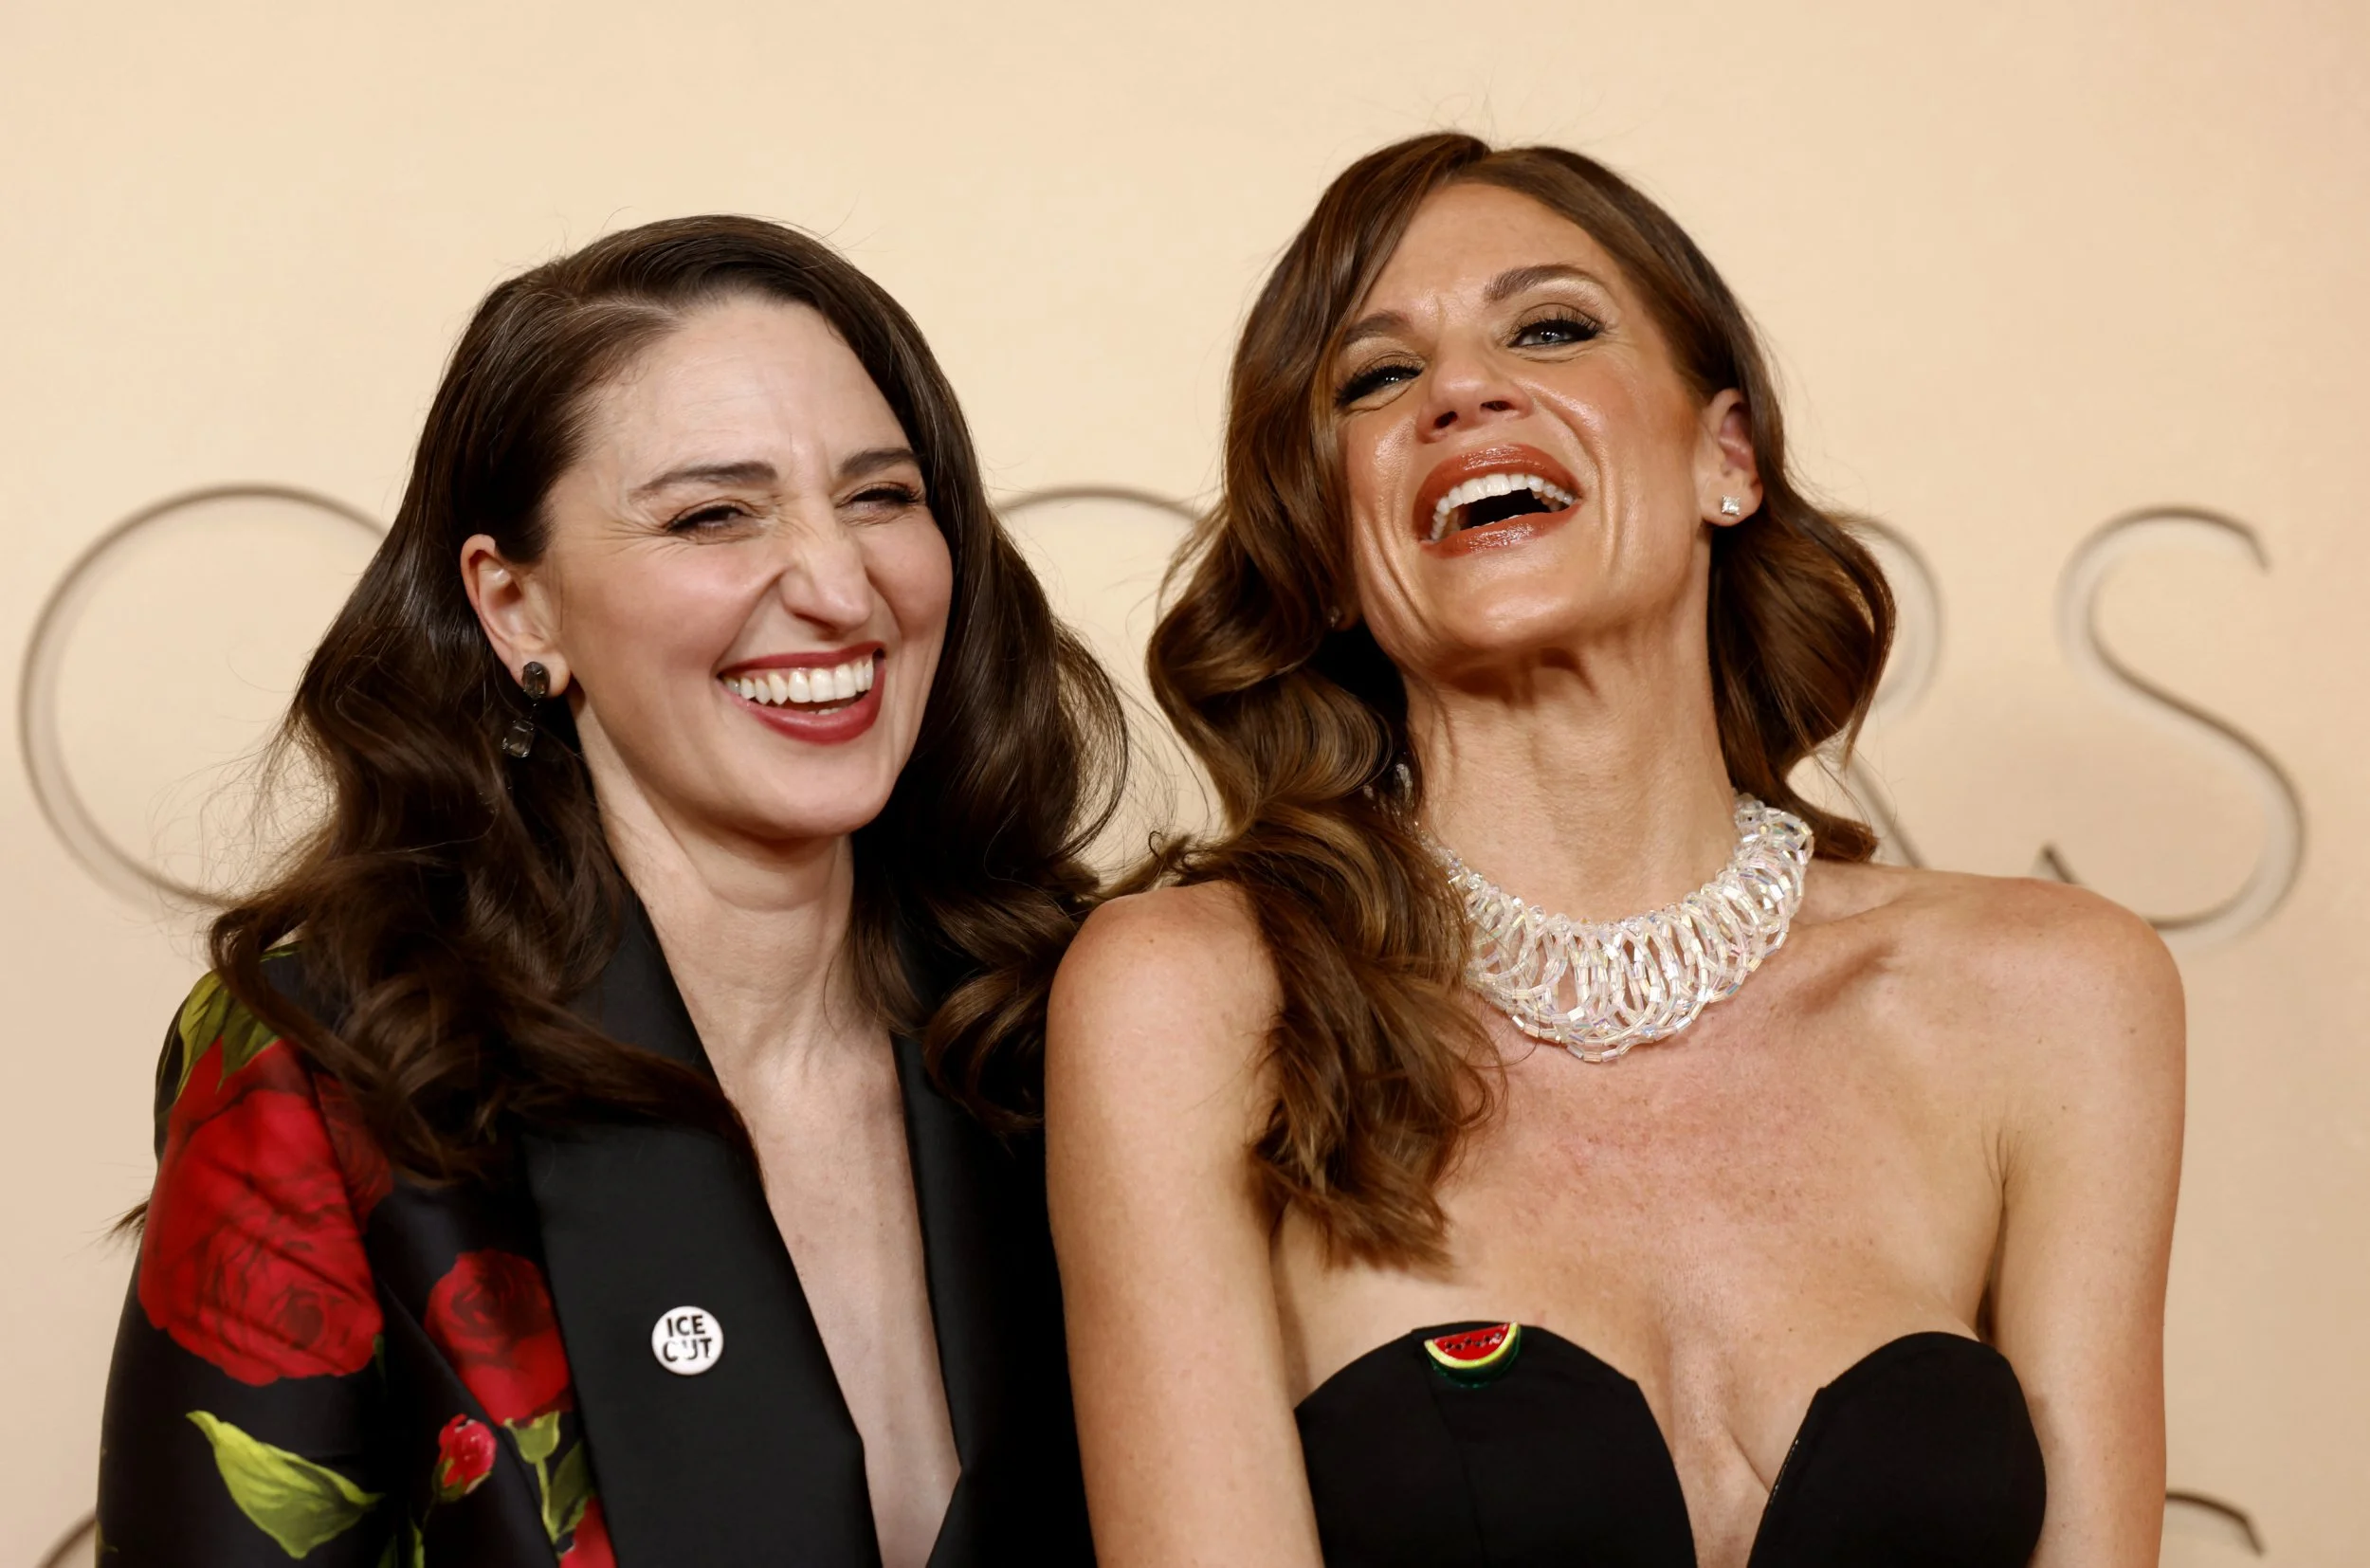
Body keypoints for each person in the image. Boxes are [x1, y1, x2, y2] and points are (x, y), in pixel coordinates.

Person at [1048, 134, 2183, 1568]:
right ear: (1327, 549)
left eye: (1551, 329)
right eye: (1377, 377)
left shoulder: (2058, 992)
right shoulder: (1197, 998)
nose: (1461, 391)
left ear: (1727, 456)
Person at [99, 214, 1113, 1567]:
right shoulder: (333, 1063)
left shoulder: (1082, 1023)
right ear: (518, 609)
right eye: (713, 514)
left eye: (881, 496)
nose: (837, 583)